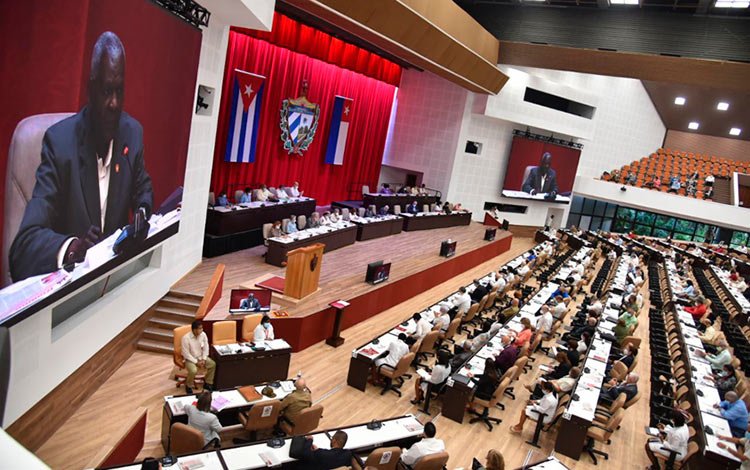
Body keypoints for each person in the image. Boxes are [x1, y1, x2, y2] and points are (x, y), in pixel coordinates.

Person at [10, 31, 155, 282]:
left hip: (113, 285)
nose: (114, 103)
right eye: (107, 91)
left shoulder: (131, 133)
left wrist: (143, 209)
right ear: (90, 89)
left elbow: (143, 187)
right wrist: (72, 248)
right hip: (70, 291)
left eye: (119, 92)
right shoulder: (60, 144)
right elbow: (24, 246)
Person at [181, 320, 216, 393]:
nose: (202, 330)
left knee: (212, 364)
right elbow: (186, 354)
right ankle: (189, 385)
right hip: (190, 359)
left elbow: (206, 347)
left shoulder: (203, 335)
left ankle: (208, 383)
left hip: (201, 357)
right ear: (194, 330)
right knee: (193, 370)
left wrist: (204, 359)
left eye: (202, 328)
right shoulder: (186, 338)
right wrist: (196, 362)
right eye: (200, 328)